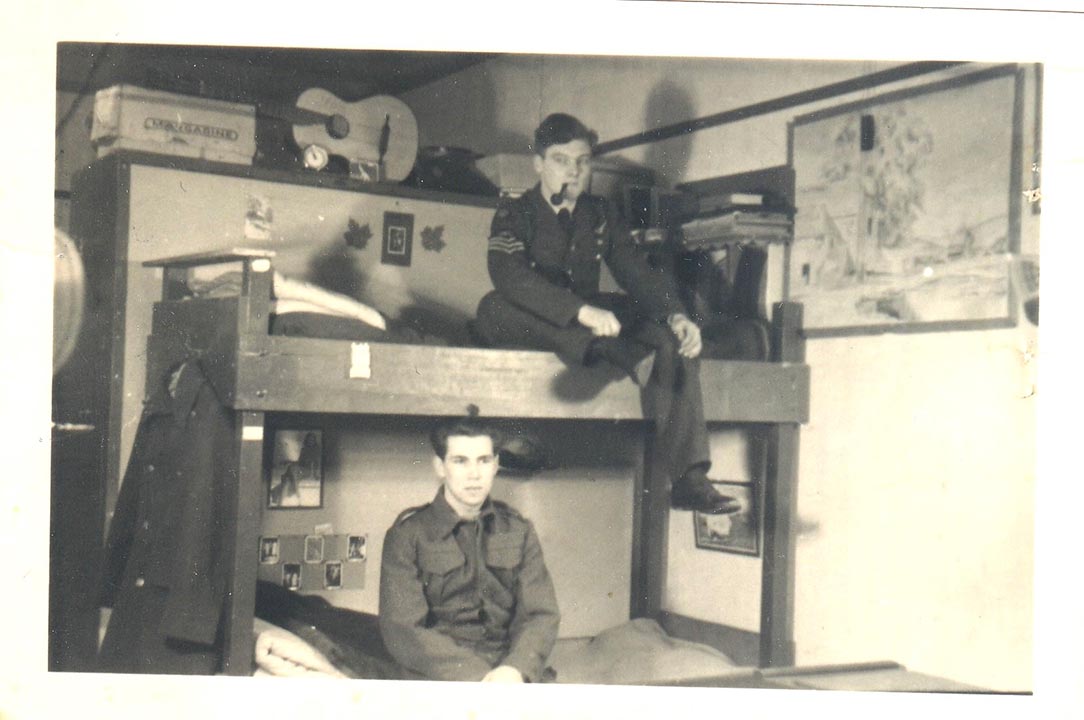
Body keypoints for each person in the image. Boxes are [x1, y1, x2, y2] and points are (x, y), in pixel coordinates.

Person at [474, 112, 740, 514]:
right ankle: (601, 349)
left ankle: (689, 479)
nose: (575, 171)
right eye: (562, 160)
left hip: (589, 317)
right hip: (543, 316)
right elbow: (509, 277)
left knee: (668, 338)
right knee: (492, 308)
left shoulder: (599, 213)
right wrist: (580, 312)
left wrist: (676, 316)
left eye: (583, 161)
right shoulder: (515, 213)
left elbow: (635, 270)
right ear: (539, 164)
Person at [379, 413, 560, 682]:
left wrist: (515, 669)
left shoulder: (519, 530)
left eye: (484, 460)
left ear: (496, 465)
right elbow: (403, 629)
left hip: (510, 675)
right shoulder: (407, 536)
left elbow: (540, 614)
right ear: (440, 467)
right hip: (439, 679)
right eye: (460, 461)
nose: (474, 474)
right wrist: (478, 676)